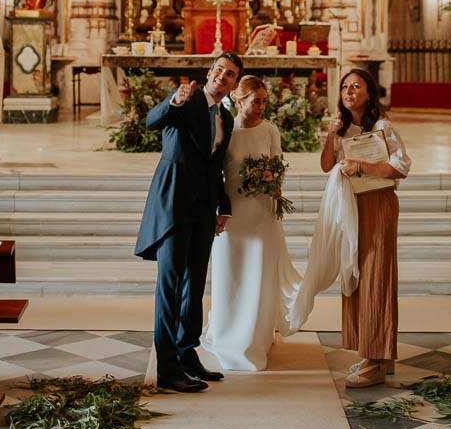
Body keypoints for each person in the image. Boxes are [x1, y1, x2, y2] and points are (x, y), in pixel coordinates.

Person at [135, 52, 243, 392]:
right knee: (170, 285)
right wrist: (173, 102)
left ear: (234, 85)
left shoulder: (225, 116)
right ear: (209, 72)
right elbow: (151, 122)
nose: (222, 77)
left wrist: (221, 206)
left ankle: (186, 351)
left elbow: (215, 167)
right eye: (219, 70)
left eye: (230, 75)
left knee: (195, 284)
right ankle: (167, 367)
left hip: (203, 209)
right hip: (173, 203)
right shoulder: (187, 98)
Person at [320, 69, 410, 387]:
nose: (349, 91)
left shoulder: (382, 126)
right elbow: (327, 165)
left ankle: (375, 356)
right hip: (352, 207)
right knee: (355, 272)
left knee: (376, 275)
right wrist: (332, 134)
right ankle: (377, 354)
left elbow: (402, 166)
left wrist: (362, 166)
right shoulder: (344, 127)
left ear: (369, 92)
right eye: (345, 86)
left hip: (378, 204)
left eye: (356, 86)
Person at [204, 76, 300, 370]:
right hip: (233, 211)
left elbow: (277, 163)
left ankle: (257, 336)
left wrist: (273, 183)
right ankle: (227, 331)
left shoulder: (270, 129)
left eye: (264, 101)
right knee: (232, 272)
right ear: (238, 100)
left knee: (259, 273)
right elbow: (215, 171)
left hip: (262, 211)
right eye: (255, 101)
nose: (260, 107)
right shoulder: (226, 129)